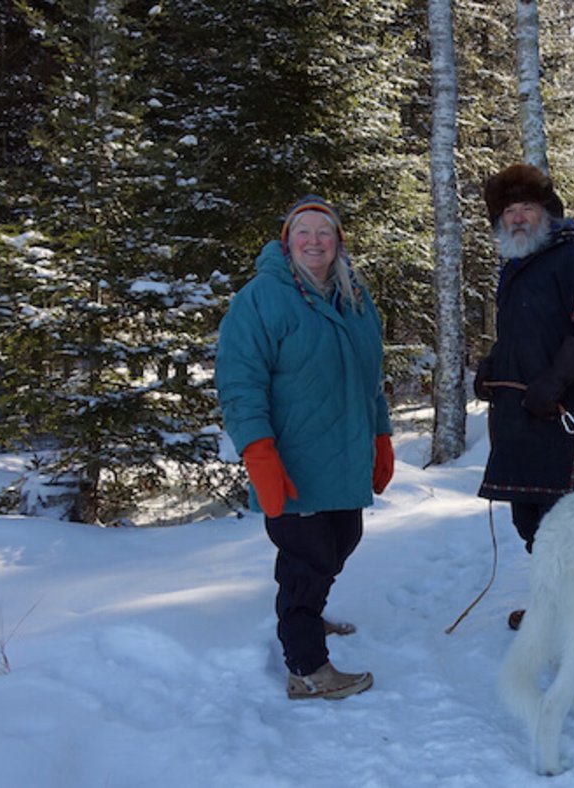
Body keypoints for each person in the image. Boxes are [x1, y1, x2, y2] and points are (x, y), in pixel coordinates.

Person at [215, 194, 394, 700]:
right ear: (287, 240)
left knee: (342, 541)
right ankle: (307, 667)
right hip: (292, 458)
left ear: (337, 242)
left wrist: (380, 434)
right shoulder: (261, 298)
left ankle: (310, 617)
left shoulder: (354, 298)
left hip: (344, 454)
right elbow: (239, 382)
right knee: (305, 561)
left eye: (324, 232)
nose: (314, 241)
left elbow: (370, 379)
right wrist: (258, 451)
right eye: (304, 232)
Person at [474, 164, 574, 628]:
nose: (518, 217)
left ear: (547, 213)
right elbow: (528, 336)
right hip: (527, 422)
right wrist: (494, 367)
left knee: (573, 524)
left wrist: (557, 378)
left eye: (527, 207)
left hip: (573, 423)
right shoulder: (518, 267)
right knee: (534, 523)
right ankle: (555, 605)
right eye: (509, 210)